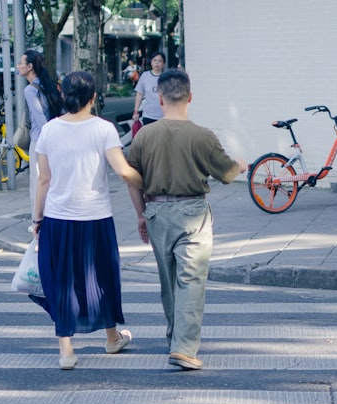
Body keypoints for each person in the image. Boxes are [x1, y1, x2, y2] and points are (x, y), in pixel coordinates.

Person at [126, 69, 246, 370]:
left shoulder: (144, 136)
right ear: (190, 97)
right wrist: (241, 165)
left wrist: (141, 215)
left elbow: (133, 179)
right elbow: (227, 174)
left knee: (168, 282)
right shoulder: (203, 135)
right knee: (190, 280)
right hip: (193, 212)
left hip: (155, 211)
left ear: (160, 97)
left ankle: (174, 340)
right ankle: (184, 347)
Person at [32, 71, 143, 370]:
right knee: (103, 278)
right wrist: (151, 181)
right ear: (94, 98)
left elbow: (44, 180)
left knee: (63, 281)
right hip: (95, 218)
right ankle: (111, 338)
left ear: (63, 94)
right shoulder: (104, 129)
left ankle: (66, 351)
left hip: (58, 218)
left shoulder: (49, 130)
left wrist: (37, 220)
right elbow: (123, 171)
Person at [16, 50, 63, 211]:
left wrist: (47, 139)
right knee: (53, 182)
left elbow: (40, 119)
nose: (18, 66)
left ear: (29, 66)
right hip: (56, 140)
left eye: (21, 63)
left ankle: (37, 224)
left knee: (37, 184)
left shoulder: (30, 90)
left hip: (40, 142)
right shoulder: (48, 85)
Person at [132, 51, 165, 126]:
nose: (157, 63)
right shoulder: (145, 75)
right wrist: (136, 111)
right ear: (151, 62)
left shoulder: (166, 77)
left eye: (160, 61)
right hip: (148, 115)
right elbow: (139, 94)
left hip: (163, 115)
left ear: (163, 64)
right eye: (155, 60)